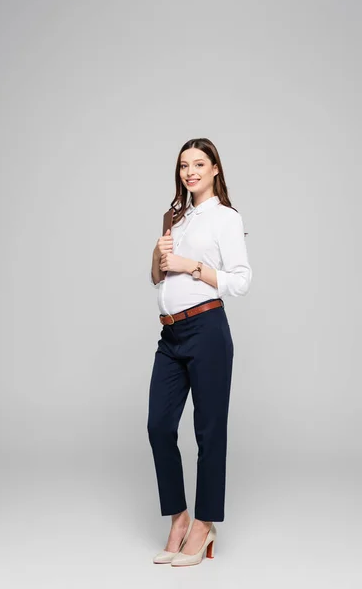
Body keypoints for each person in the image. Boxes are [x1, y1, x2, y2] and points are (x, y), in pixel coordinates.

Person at [147, 137, 252, 567]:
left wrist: (190, 265)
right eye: (183, 165)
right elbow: (157, 280)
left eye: (199, 164)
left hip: (207, 330)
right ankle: (178, 517)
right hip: (170, 336)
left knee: (209, 433)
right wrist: (158, 254)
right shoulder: (176, 217)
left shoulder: (225, 218)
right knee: (158, 427)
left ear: (214, 170)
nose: (190, 172)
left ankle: (206, 525)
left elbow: (241, 280)